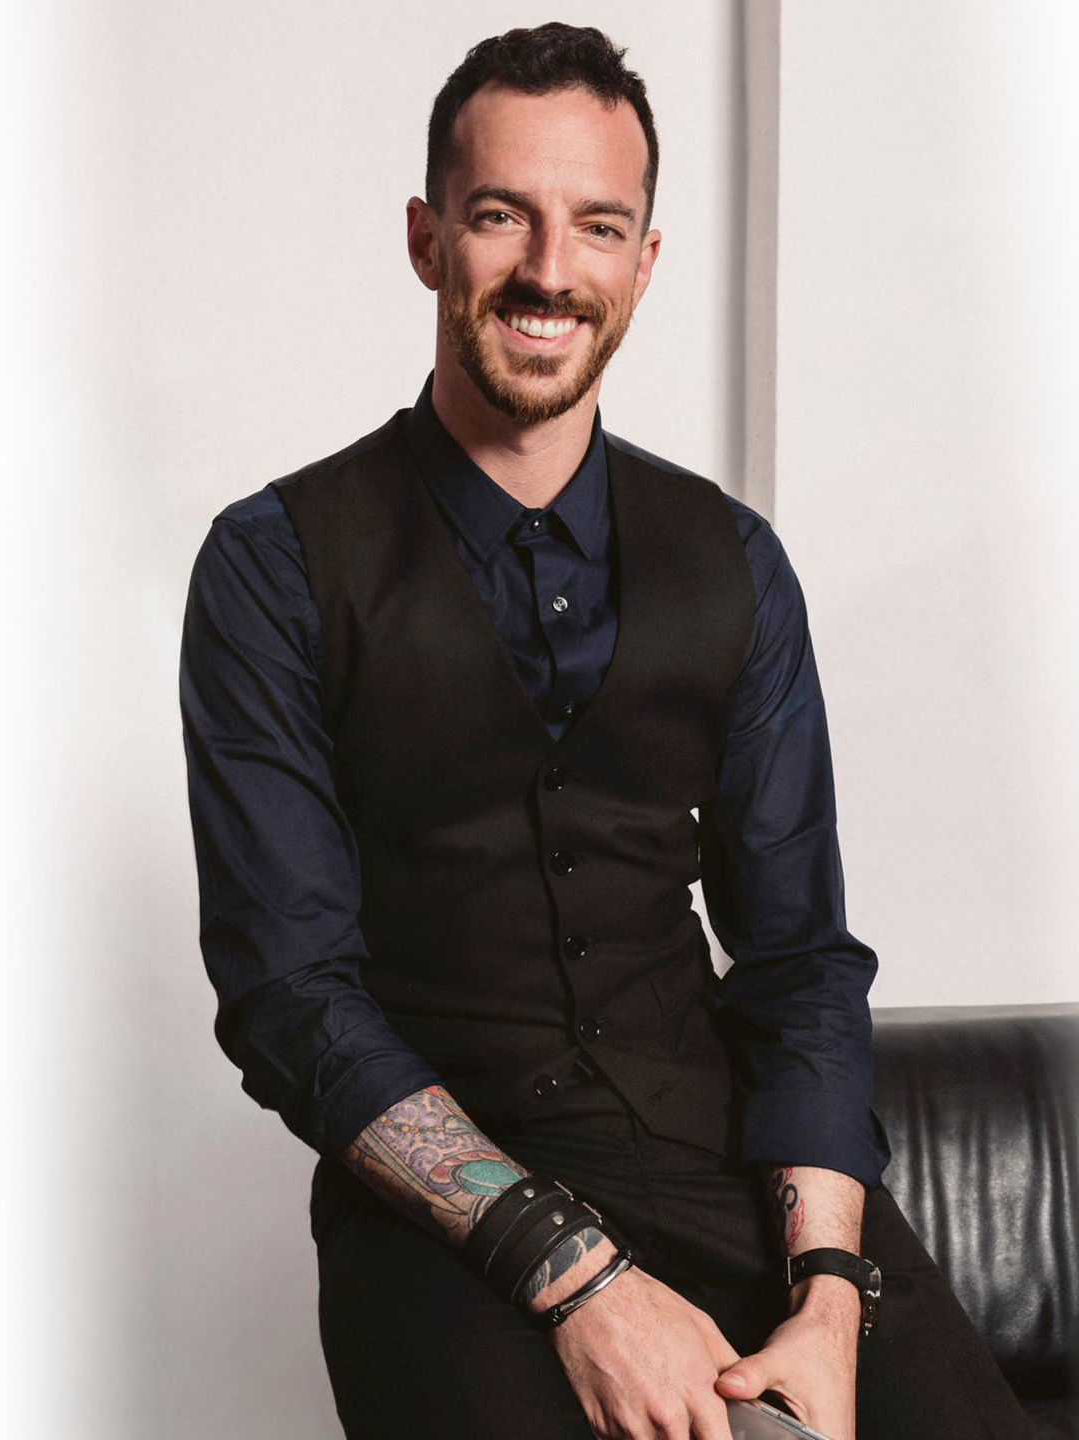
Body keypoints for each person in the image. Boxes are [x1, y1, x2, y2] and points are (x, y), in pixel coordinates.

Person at [179, 22, 1033, 1440]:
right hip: (445, 1213)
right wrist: (579, 1279)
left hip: (727, 1169)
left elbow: (801, 960)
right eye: (499, 215)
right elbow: (289, 995)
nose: (548, 269)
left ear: (644, 261)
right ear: (427, 239)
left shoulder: (737, 562)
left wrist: (829, 1293)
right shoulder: (272, 565)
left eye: (598, 225)